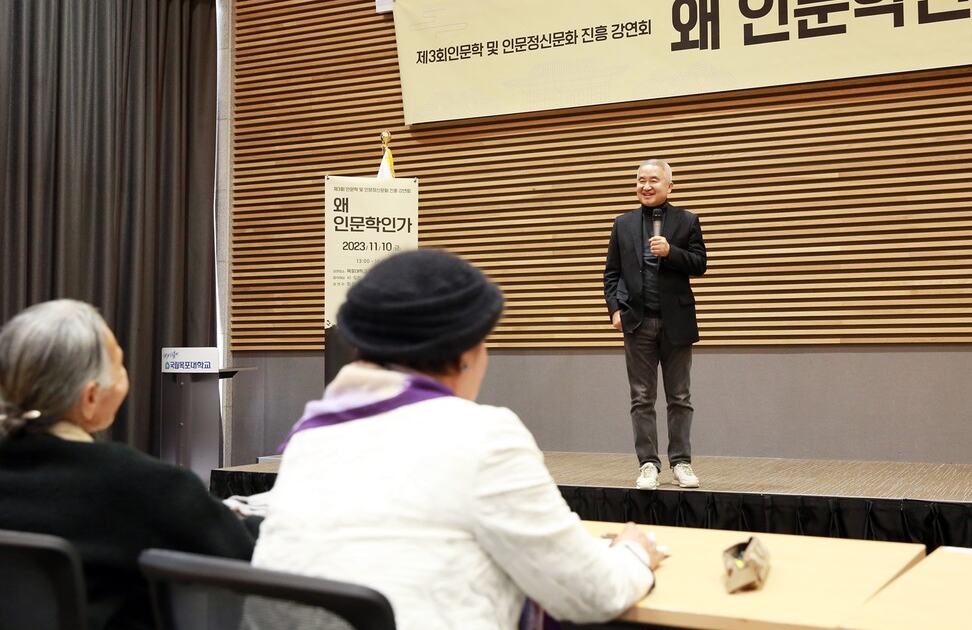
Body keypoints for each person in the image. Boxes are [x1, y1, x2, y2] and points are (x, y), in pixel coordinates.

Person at [253, 249, 663, 630]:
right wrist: (632, 550)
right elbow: (592, 593)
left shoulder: (311, 436)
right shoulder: (483, 436)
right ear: (466, 354)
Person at [0, 299, 256, 630]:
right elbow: (241, 551)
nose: (125, 375)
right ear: (90, 398)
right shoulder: (139, 485)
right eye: (120, 365)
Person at [604, 159, 707, 491]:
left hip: (676, 321)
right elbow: (611, 273)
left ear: (669, 186)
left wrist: (670, 251)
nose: (645, 186)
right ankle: (648, 464)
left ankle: (681, 463)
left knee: (680, 397)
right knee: (641, 397)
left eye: (653, 180)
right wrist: (615, 310)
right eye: (640, 180)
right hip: (637, 322)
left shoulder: (687, 220)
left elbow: (700, 263)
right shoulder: (622, 223)